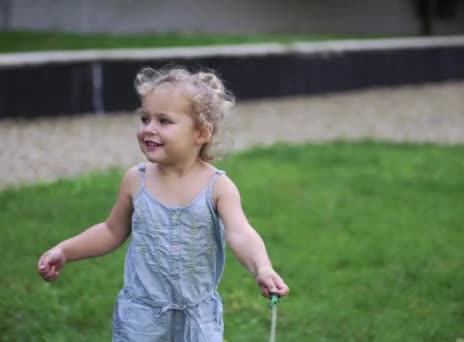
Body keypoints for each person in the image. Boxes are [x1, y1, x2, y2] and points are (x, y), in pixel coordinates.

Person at [37, 66, 289, 341]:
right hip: (141, 319)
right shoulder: (136, 181)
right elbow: (111, 231)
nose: (149, 129)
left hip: (196, 321)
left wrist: (261, 267)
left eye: (164, 121)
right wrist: (65, 250)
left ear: (201, 133)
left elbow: (240, 233)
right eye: (145, 119)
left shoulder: (217, 187)